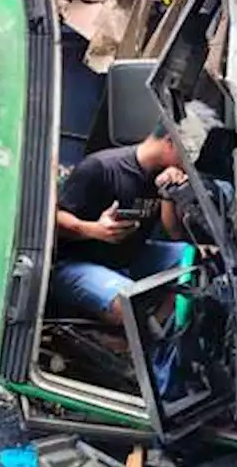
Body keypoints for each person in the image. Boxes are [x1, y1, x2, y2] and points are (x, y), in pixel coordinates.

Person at [52, 124, 191, 326]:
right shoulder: (100, 167)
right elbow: (54, 218)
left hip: (128, 257)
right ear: (170, 142)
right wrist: (94, 230)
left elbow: (173, 232)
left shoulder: (163, 174)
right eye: (188, 154)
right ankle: (103, 332)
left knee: (192, 257)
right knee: (129, 302)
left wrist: (169, 194)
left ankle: (158, 332)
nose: (190, 164)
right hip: (76, 263)